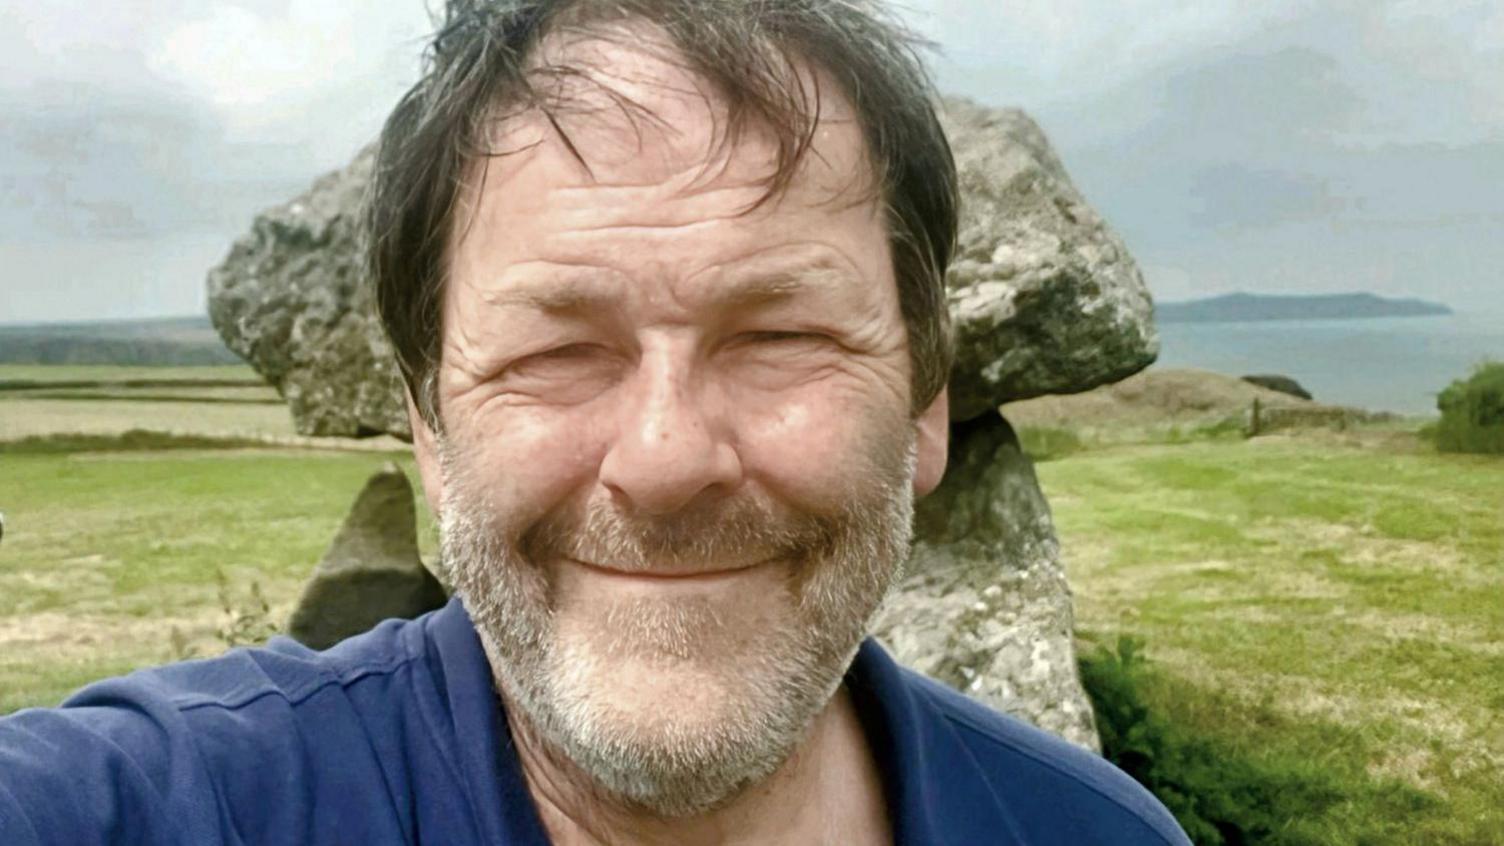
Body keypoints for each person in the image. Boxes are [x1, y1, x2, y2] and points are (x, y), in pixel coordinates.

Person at [0, 1, 1189, 843]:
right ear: (428, 427)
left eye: (779, 336)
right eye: (557, 351)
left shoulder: (1094, 832)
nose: (666, 461)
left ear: (926, 405)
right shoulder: (173, 805)